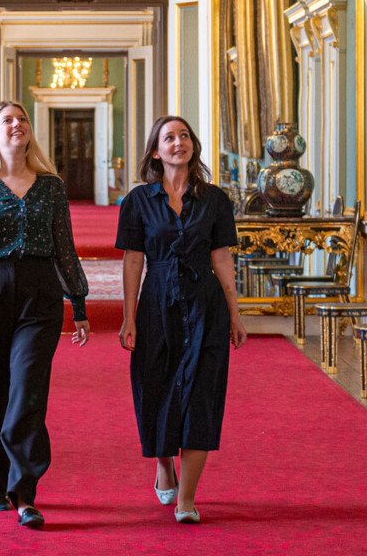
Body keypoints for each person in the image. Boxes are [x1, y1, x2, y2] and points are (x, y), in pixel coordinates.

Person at [0, 101, 91, 529]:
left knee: (27, 390)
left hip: (39, 294)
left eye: (22, 119)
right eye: (7, 120)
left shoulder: (51, 187)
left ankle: (24, 491)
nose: (16, 125)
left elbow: (65, 247)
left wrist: (78, 305)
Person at [116, 116, 247, 524]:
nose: (179, 143)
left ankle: (187, 498)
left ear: (194, 146)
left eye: (185, 136)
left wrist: (236, 314)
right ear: (156, 151)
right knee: (154, 389)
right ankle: (164, 464)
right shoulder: (138, 201)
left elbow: (222, 258)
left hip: (205, 305)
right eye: (169, 138)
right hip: (156, 305)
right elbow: (133, 260)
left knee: (202, 394)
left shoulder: (215, 200)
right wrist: (128, 318)